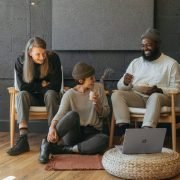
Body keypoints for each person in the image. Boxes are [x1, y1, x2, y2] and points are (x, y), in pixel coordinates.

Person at [111, 28, 180, 134]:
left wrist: (159, 90)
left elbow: (177, 88)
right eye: (143, 46)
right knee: (116, 94)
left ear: (157, 45)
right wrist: (125, 82)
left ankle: (145, 133)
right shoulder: (136, 63)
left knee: (155, 96)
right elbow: (120, 86)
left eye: (149, 45)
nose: (145, 48)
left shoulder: (171, 64)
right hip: (138, 97)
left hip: (161, 98)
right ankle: (125, 133)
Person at [39, 62, 110, 164]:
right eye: (91, 78)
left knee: (104, 139)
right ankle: (47, 143)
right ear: (81, 80)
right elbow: (60, 113)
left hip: (92, 133)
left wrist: (97, 103)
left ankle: (64, 149)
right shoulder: (69, 94)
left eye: (94, 77)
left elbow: (106, 113)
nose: (94, 80)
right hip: (74, 134)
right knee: (72, 115)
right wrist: (51, 127)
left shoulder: (98, 88)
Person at [7, 37, 62, 156]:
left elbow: (56, 86)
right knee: (21, 95)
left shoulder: (53, 58)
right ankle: (23, 139)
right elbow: (23, 87)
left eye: (44, 53)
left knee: (51, 93)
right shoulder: (20, 61)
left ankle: (52, 139)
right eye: (38, 54)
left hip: (49, 98)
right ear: (29, 53)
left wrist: (34, 86)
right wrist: (43, 85)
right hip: (31, 99)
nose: (42, 57)